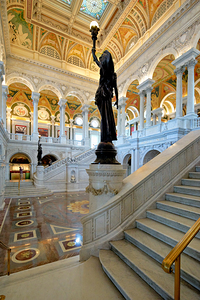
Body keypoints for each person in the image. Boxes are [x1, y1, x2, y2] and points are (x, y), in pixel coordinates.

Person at [92, 49, 118, 143]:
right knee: (105, 116)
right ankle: (106, 135)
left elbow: (115, 88)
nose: (101, 58)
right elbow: (96, 61)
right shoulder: (108, 72)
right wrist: (93, 53)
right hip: (102, 95)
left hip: (104, 95)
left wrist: (118, 100)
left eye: (103, 56)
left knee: (106, 116)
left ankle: (107, 135)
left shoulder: (110, 74)